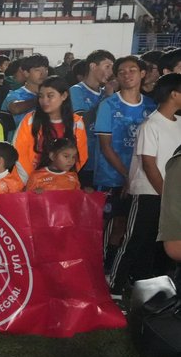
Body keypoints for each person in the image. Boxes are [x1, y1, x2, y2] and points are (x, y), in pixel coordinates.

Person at [107, 73, 181, 297]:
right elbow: (149, 164)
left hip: (171, 196)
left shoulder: (179, 123)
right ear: (174, 94)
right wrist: (166, 195)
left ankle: (147, 288)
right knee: (135, 240)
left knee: (157, 244)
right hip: (149, 193)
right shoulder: (151, 125)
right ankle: (115, 287)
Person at [94, 56, 157, 276]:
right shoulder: (108, 105)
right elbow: (106, 146)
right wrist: (126, 175)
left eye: (132, 70)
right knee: (106, 225)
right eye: (121, 71)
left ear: (142, 74)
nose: (127, 74)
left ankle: (114, 269)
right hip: (111, 177)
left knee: (126, 226)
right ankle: (98, 268)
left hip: (141, 178)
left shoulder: (151, 106)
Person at [13, 76, 89, 181]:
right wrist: (32, 181)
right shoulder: (30, 120)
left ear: (64, 96)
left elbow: (81, 156)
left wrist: (62, 178)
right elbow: (19, 153)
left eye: (50, 96)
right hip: (30, 181)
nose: (44, 100)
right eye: (41, 96)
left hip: (63, 182)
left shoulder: (76, 123)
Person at [70, 49, 115, 188]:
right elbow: (81, 120)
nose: (110, 72)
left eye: (112, 68)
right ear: (93, 66)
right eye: (107, 66)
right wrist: (107, 98)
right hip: (83, 157)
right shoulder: (76, 90)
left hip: (103, 158)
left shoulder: (106, 92)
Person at [2, 54, 50, 135]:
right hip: (19, 141)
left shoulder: (51, 95)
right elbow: (15, 108)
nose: (43, 74)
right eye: (37, 70)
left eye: (46, 70)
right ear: (26, 73)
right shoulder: (15, 95)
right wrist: (40, 99)